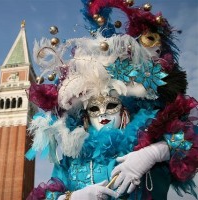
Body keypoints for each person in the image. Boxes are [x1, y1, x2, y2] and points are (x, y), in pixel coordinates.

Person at [26, 0, 198, 199]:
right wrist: (71, 197)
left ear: (123, 110)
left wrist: (154, 153)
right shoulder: (73, 159)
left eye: (111, 106)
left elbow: (191, 140)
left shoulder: (147, 138)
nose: (103, 113)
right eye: (94, 109)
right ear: (85, 117)